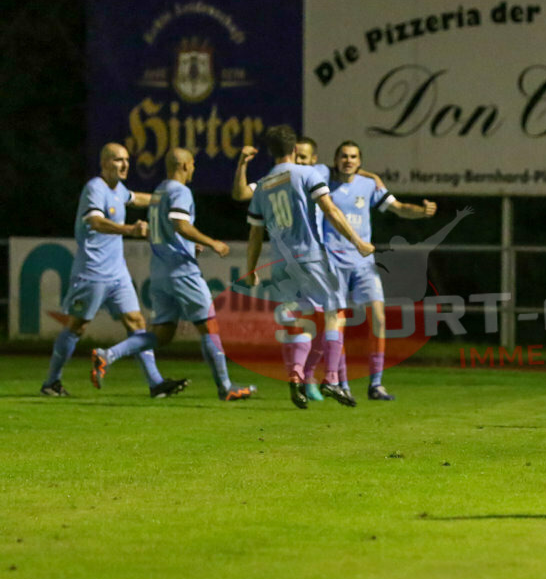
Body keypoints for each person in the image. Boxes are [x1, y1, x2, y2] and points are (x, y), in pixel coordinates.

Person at [89, 148, 256, 401]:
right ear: (185, 166)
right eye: (193, 165)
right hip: (181, 271)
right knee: (209, 326)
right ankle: (226, 387)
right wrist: (212, 242)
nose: (194, 170)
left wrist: (190, 246)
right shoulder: (180, 191)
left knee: (162, 335)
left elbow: (168, 230)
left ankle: (107, 355)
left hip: (160, 273)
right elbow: (180, 224)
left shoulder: (159, 192)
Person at [232, 135, 384, 402]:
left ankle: (296, 374)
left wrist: (251, 268)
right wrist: (358, 241)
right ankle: (332, 380)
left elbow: (254, 232)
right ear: (293, 150)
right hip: (310, 255)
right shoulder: (308, 173)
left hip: (280, 261)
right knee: (335, 314)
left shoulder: (266, 182)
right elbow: (330, 210)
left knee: (302, 321)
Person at [40, 143, 188, 399]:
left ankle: (156, 383)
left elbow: (136, 198)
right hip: (92, 272)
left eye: (127, 160)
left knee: (137, 323)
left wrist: (163, 197)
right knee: (77, 326)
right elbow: (96, 222)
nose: (125, 164)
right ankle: (51, 382)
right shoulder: (94, 188)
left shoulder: (118, 190)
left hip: (117, 274)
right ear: (105, 163)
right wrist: (130, 230)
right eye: (119, 160)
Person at [313, 140, 437, 402]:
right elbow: (309, 167)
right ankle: (341, 383)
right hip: (332, 261)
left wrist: (422, 212)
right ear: (335, 160)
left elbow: (399, 208)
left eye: (353, 157)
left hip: (363, 263)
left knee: (378, 318)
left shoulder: (368, 186)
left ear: (360, 161)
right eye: (344, 156)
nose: (348, 160)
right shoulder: (323, 179)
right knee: (338, 321)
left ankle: (376, 384)